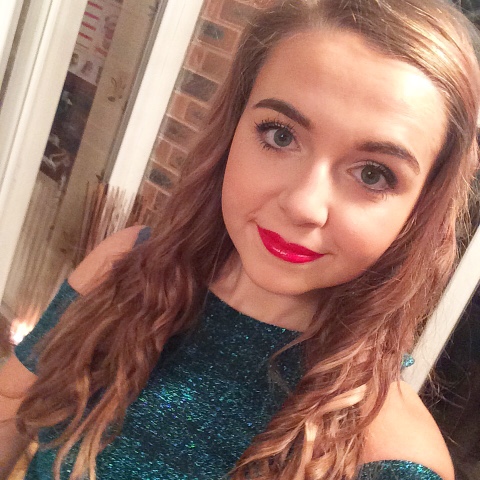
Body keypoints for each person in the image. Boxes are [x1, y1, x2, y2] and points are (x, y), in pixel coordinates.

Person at [1, 0, 479, 478]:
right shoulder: (123, 268)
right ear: (233, 129)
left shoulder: (394, 460)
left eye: (373, 174)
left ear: (420, 209)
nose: (303, 204)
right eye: (280, 135)